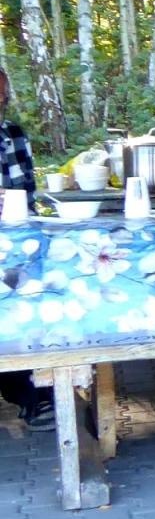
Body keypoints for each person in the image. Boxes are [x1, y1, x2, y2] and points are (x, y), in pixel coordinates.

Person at [0, 68, 48, 431]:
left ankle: (28, 393)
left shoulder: (13, 133)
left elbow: (27, 192)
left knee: (24, 306)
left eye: (2, 97)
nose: (1, 103)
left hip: (14, 240)